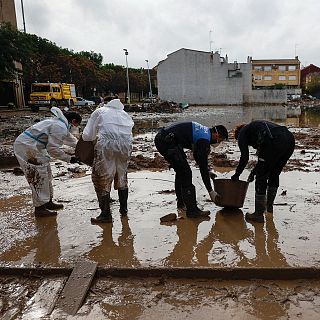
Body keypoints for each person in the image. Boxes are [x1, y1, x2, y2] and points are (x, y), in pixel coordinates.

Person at [14, 107, 82, 217]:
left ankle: (48, 202)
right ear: (74, 121)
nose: (75, 128)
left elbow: (71, 140)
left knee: (47, 174)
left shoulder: (60, 124)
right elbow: (53, 149)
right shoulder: (59, 126)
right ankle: (40, 208)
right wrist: (69, 159)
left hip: (34, 147)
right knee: (38, 177)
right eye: (77, 125)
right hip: (26, 147)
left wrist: (82, 147)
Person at [154, 121, 228, 218]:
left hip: (165, 139)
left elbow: (197, 155)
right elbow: (202, 167)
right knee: (186, 173)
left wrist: (208, 171)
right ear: (216, 134)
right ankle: (192, 211)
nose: (218, 142)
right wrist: (210, 191)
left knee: (181, 171)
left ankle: (181, 203)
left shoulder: (204, 133)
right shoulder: (204, 140)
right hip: (166, 142)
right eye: (220, 139)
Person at [231, 120, 295, 223]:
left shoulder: (242, 134)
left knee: (261, 177)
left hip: (275, 140)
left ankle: (258, 215)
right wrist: (253, 172)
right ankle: (269, 208)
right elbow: (264, 159)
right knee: (274, 173)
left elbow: (245, 157)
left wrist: (237, 174)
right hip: (289, 139)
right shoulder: (257, 130)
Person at [82, 98, 134, 223]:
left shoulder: (100, 111)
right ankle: (124, 210)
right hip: (126, 145)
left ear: (105, 103)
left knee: (101, 178)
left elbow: (88, 135)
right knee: (122, 176)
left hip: (106, 144)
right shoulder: (125, 114)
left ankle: (105, 214)